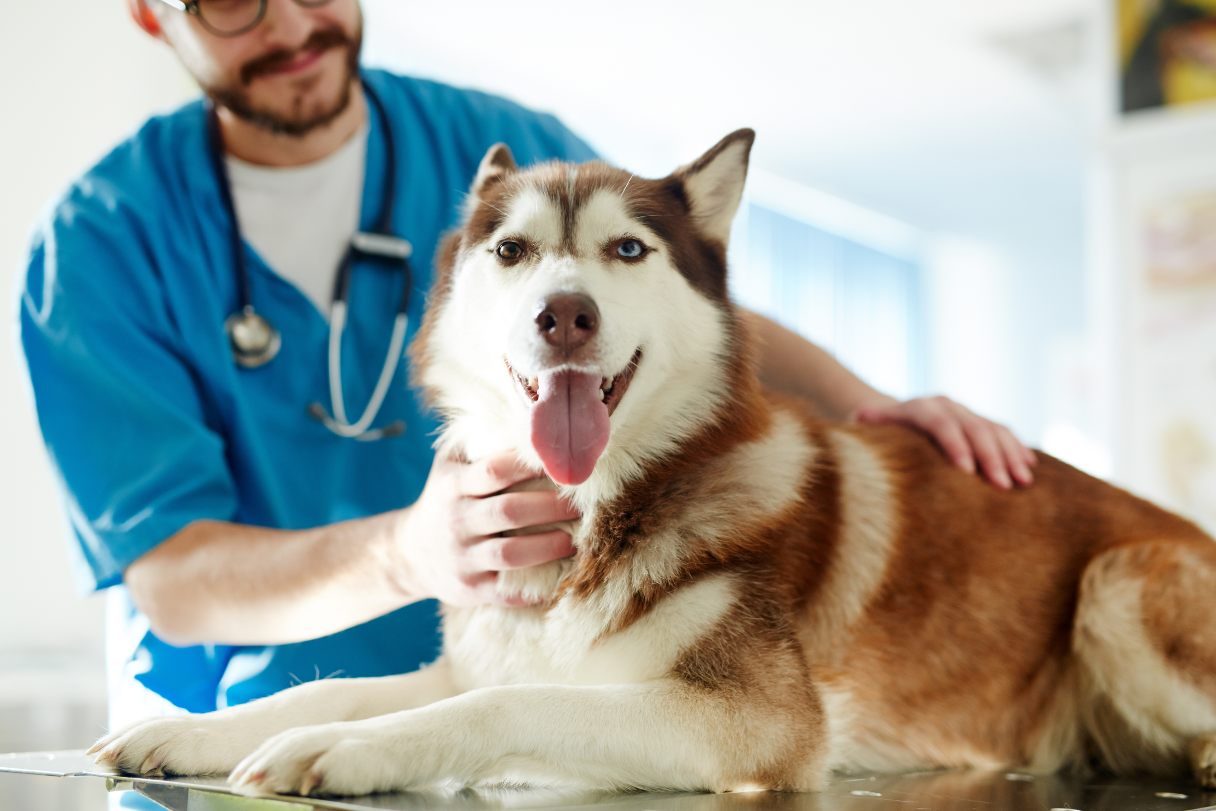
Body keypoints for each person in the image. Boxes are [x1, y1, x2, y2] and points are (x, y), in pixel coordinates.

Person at [17, 0, 1037, 730]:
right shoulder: (103, 248)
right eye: (232, 2)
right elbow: (175, 576)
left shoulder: (491, 144)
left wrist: (877, 407)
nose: (290, 25)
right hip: (263, 732)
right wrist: (404, 557)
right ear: (152, 16)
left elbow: (671, 303)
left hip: (544, 714)